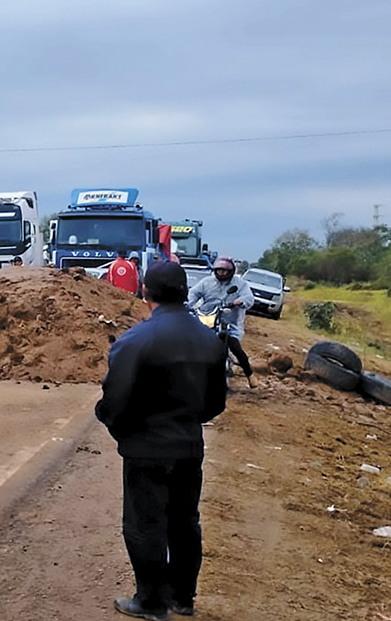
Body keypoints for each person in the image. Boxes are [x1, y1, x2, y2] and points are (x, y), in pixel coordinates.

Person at [96, 261, 228, 620]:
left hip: (146, 449)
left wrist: (119, 427)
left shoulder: (135, 340)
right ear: (186, 292)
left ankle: (151, 602)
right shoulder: (210, 340)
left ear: (145, 293)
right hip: (188, 446)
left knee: (144, 524)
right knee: (185, 522)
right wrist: (186, 422)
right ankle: (182, 598)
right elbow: (216, 402)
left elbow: (114, 399)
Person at [187, 256, 256, 385]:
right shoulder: (206, 282)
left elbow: (249, 298)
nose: (221, 273)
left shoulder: (240, 284)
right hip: (207, 318)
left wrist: (240, 301)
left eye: (224, 271)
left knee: (234, 346)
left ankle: (249, 374)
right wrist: (187, 304)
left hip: (230, 323)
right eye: (218, 270)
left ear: (231, 271)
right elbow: (193, 293)